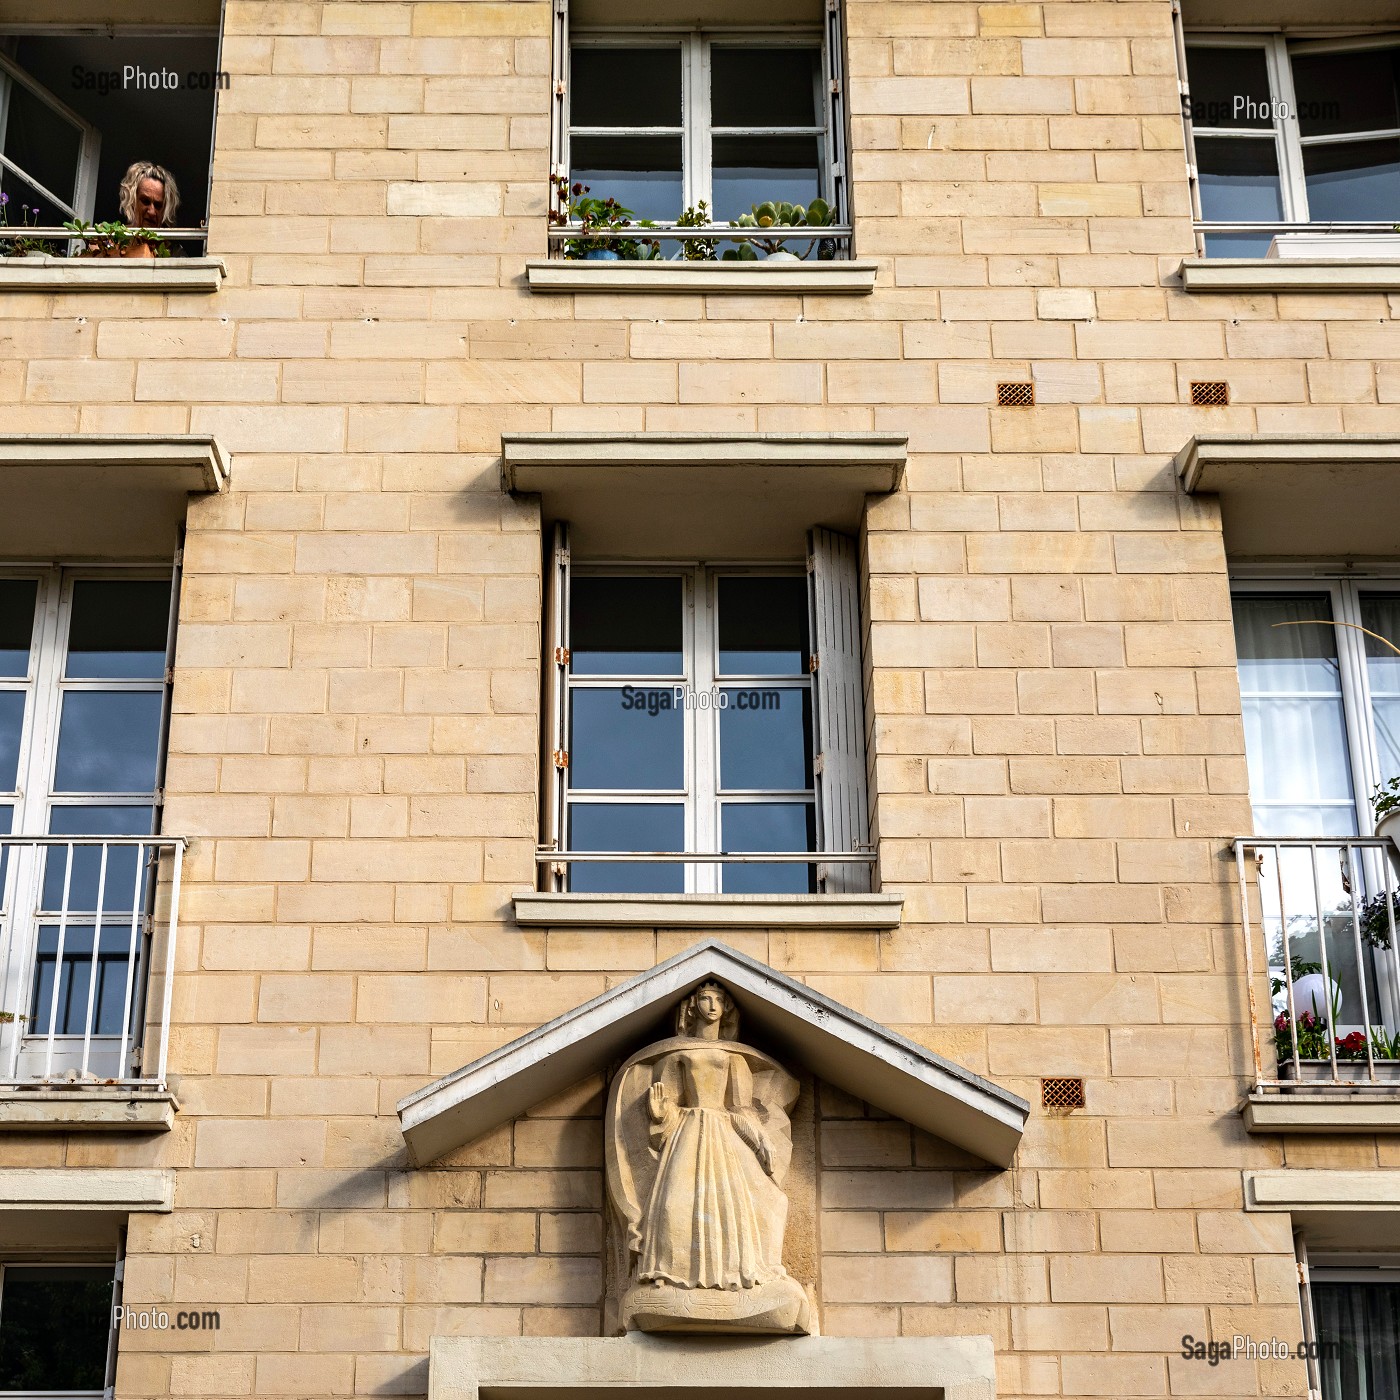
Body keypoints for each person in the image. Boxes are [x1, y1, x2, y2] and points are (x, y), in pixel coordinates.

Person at [118, 161, 180, 229]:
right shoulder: (114, 238)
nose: (152, 212)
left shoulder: (170, 238)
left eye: (158, 205)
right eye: (145, 202)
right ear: (132, 201)